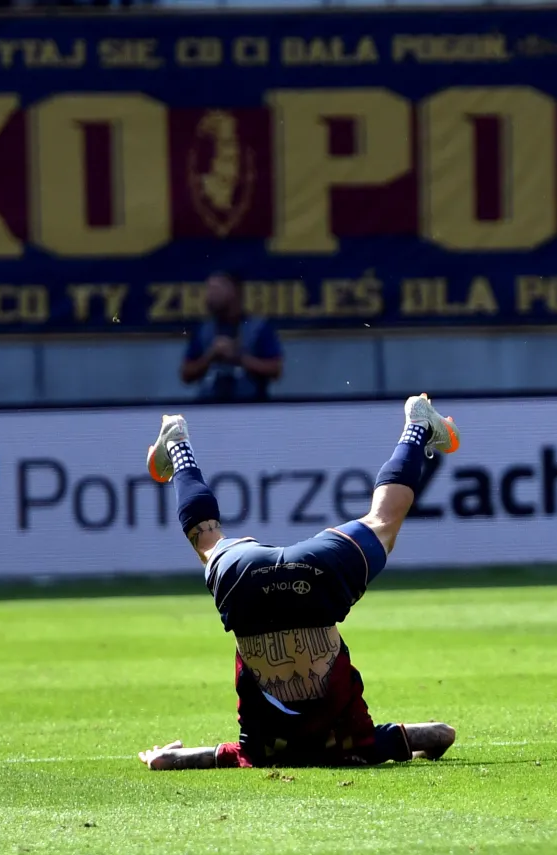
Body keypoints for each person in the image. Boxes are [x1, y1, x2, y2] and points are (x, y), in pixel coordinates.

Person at [135, 393, 461, 770]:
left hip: (315, 577)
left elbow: (440, 734)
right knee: (206, 539)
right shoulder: (259, 751)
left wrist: (399, 750)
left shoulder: (360, 742)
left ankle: (418, 426)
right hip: (248, 583)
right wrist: (165, 758)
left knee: (384, 520)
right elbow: (188, 759)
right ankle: (178, 444)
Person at [180, 272, 284, 403]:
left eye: (216, 289)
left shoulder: (258, 327)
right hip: (208, 409)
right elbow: (186, 374)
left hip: (251, 409)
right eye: (209, 289)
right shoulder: (203, 329)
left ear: (233, 291)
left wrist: (238, 357)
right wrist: (211, 356)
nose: (210, 295)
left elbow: (275, 369)